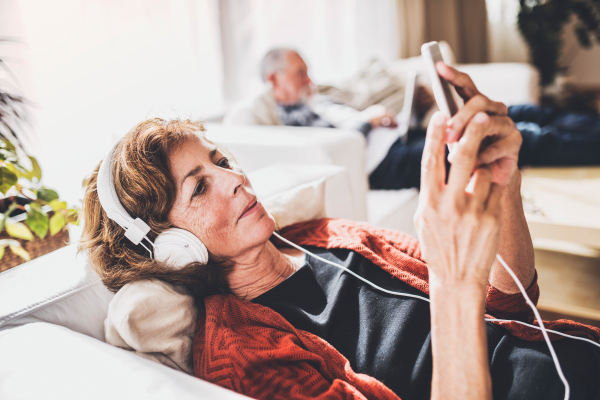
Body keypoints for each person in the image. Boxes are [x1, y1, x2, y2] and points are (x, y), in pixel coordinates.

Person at [80, 66, 600, 399]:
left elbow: (509, 303)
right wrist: (454, 284)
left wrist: (504, 184)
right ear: (171, 249)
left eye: (222, 162)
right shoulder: (244, 353)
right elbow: (466, 295)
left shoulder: (324, 234)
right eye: (199, 188)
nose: (236, 179)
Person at [226, 48, 600, 190]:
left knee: (518, 111)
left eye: (307, 71)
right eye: (298, 74)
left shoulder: (316, 97)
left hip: (400, 140)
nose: (308, 80)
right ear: (272, 80)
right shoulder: (285, 117)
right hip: (382, 164)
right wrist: (368, 121)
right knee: (525, 136)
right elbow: (325, 148)